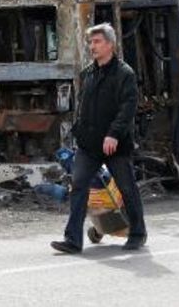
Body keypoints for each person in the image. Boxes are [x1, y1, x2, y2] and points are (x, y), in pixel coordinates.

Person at [51, 23, 147, 254]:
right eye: (91, 42)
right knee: (79, 186)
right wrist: (78, 130)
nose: (92, 46)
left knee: (127, 188)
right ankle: (73, 240)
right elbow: (84, 106)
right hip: (89, 144)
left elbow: (127, 108)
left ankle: (137, 233)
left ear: (110, 45)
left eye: (97, 42)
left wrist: (113, 134)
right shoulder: (88, 73)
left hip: (115, 145)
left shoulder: (125, 74)